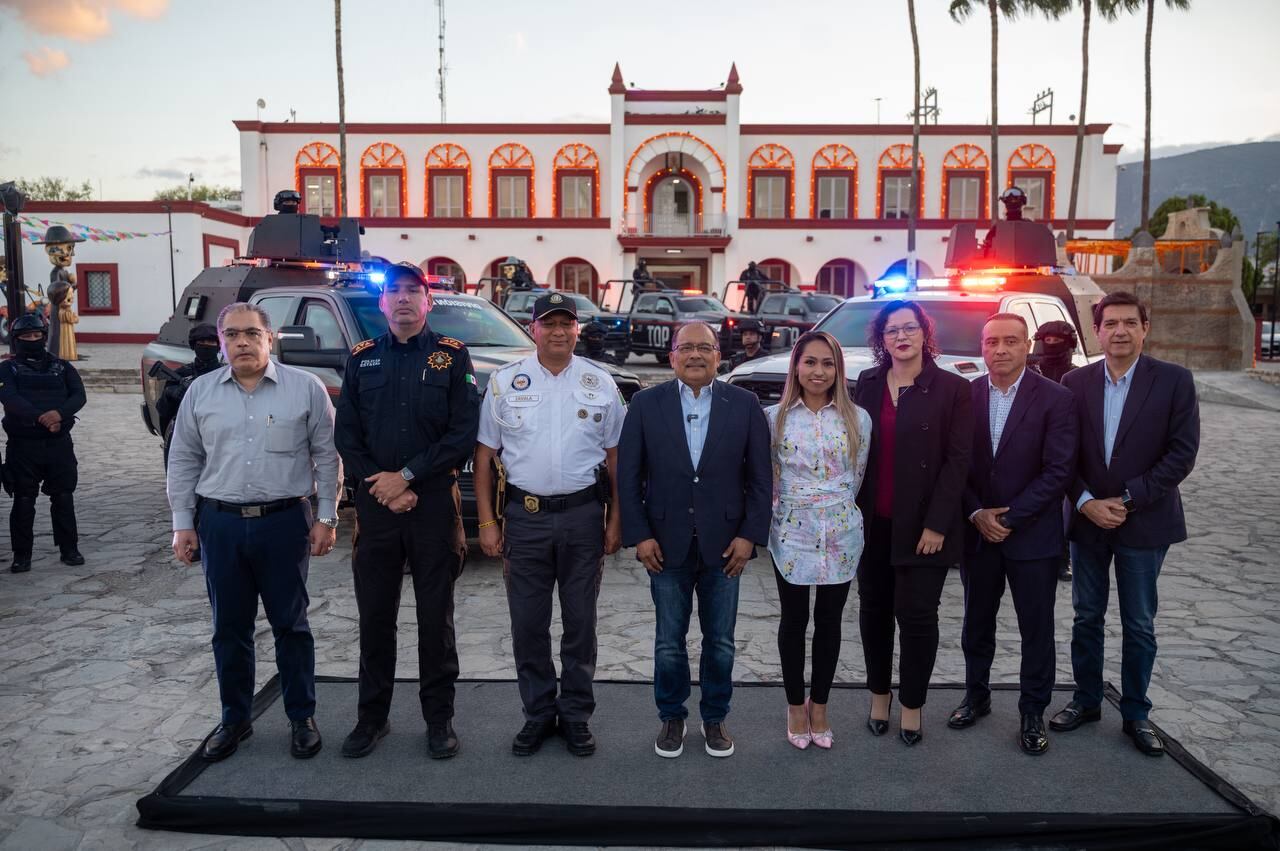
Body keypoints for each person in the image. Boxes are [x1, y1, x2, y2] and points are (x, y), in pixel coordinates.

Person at [166, 302, 341, 763]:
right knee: (229, 628)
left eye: (251, 333)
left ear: (270, 338)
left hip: (284, 522)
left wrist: (327, 517)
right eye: (232, 335)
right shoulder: (201, 392)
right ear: (221, 341)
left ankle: (301, 716)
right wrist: (183, 523)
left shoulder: (305, 389)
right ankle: (235, 719)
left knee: (291, 625)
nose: (242, 342)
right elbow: (183, 459)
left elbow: (328, 456)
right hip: (220, 523)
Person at [334, 264, 480, 761]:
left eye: (412, 291)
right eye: (393, 290)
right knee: (376, 618)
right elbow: (347, 435)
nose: (402, 298)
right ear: (382, 302)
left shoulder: (452, 356)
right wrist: (385, 487)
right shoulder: (362, 359)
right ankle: (371, 719)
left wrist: (409, 477)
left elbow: (462, 433)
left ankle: (439, 720)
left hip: (433, 506)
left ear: (427, 301)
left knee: (435, 620)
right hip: (378, 508)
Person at [474, 292, 625, 758]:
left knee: (580, 623)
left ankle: (576, 714)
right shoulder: (505, 382)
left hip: (583, 518)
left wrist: (616, 519)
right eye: (549, 323)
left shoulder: (600, 382)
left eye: (566, 324)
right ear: (533, 328)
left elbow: (617, 459)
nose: (558, 332)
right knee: (528, 624)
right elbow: (485, 456)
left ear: (577, 329)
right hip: (525, 519)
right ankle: (538, 713)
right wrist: (487, 521)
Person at [1050, 291, 1200, 757]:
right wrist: (1086, 502)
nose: (1120, 331)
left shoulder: (1174, 381)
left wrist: (1128, 499)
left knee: (1138, 622)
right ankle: (1086, 700)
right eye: (1110, 323)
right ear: (1097, 332)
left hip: (1146, 521)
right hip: (1088, 521)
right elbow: (1061, 454)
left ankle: (1136, 712)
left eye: (1129, 323)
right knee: (1086, 616)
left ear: (1144, 329)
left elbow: (1181, 453)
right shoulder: (1074, 382)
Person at [618, 321, 771, 759]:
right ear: (672, 356)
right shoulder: (645, 404)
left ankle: (715, 716)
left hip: (726, 546)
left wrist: (749, 536)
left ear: (718, 356)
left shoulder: (744, 404)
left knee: (720, 641)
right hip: (665, 545)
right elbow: (628, 476)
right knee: (669, 641)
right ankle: (671, 716)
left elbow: (761, 479)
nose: (696, 355)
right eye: (686, 348)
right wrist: (640, 535)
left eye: (705, 347)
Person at [947, 314, 1077, 755]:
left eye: (1010, 341)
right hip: (978, 533)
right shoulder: (965, 395)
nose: (1000, 350)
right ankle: (976, 696)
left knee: (1035, 629)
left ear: (1027, 347)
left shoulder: (1057, 398)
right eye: (991, 342)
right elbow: (955, 464)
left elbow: (1059, 470)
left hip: (1033, 536)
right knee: (976, 622)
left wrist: (1010, 518)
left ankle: (1032, 711)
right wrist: (976, 512)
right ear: (981, 347)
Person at [852, 300, 973, 745]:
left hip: (925, 528)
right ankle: (879, 696)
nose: (901, 337)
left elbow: (958, 462)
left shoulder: (952, 388)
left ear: (925, 333)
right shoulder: (866, 383)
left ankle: (912, 705)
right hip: (873, 524)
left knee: (918, 618)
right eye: (891, 330)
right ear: (881, 339)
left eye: (909, 328)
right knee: (874, 614)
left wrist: (937, 524)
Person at [766, 331, 871, 749]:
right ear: (796, 366)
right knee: (794, 620)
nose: (818, 371)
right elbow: (770, 477)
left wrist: (834, 507)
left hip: (841, 529)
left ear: (838, 370)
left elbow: (857, 475)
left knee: (830, 619)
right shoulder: (774, 418)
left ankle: (820, 705)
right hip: (792, 529)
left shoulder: (857, 419)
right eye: (810, 361)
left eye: (828, 363)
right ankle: (795, 705)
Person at [0, 313, 86, 573]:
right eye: (26, 336)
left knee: (63, 496)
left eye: (36, 335)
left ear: (44, 337)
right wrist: (42, 418)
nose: (32, 340)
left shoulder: (62, 367)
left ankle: (69, 549)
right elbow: (10, 398)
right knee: (24, 499)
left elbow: (78, 395)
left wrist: (59, 414)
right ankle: (21, 555)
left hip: (58, 443)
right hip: (23, 445)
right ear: (17, 340)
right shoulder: (7, 369)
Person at [1032, 318, 1080, 582]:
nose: (1051, 344)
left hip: (1061, 448)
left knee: (1062, 507)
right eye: (1047, 339)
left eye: (1057, 340)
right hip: (1029, 445)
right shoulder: (1029, 370)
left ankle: (1063, 557)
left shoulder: (1076, 376)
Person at [156, 323, 223, 464]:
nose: (206, 346)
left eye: (211, 342)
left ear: (218, 346)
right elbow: (164, 415)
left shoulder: (226, 374)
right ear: (194, 345)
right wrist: (170, 396)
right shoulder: (182, 374)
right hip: (186, 438)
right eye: (201, 342)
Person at [1031, 320, 1077, 384]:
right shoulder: (1032, 370)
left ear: (1067, 343)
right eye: (1048, 340)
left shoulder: (1075, 374)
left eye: (1056, 340)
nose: (1051, 343)